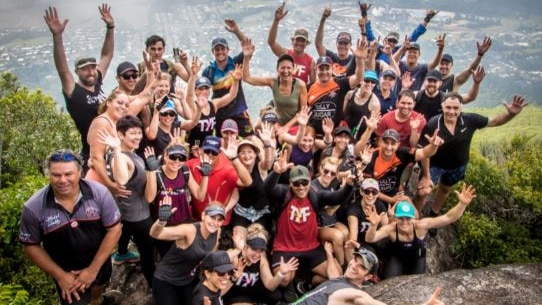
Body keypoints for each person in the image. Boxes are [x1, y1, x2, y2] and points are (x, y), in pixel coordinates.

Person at [19, 149, 121, 305]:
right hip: (66, 275)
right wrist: (60, 276)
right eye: (56, 175)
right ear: (48, 175)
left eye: (68, 174)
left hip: (99, 262)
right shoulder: (33, 208)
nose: (62, 180)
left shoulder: (99, 193)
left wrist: (93, 270)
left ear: (79, 172)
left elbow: (114, 229)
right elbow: (30, 246)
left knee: (100, 285)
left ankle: (97, 300)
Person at [416, 93, 527, 217]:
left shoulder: (469, 120)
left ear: (461, 107)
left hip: (458, 166)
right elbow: (424, 152)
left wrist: (511, 114)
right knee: (422, 192)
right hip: (434, 165)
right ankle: (414, 218)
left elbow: (495, 121)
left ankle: (434, 213)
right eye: (448, 107)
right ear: (442, 107)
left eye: (455, 108)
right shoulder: (433, 124)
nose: (451, 111)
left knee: (445, 189)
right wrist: (426, 175)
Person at [264, 153, 354, 289]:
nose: (301, 187)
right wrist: (275, 173)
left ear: (310, 181)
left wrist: (348, 186)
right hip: (285, 247)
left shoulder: (315, 195)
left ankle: (311, 284)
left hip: (311, 246)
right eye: (297, 183)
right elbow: (268, 189)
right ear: (290, 183)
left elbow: (337, 197)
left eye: (304, 182)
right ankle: (292, 284)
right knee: (284, 280)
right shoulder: (284, 193)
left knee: (336, 276)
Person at [44, 5, 115, 171]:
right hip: (91, 151)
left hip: (110, 146)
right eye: (85, 69)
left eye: (92, 67)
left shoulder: (96, 82)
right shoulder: (73, 91)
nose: (90, 71)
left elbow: (106, 55)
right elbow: (62, 69)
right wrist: (57, 36)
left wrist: (110, 27)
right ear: (77, 72)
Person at [365, 184, 476, 278]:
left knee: (416, 283)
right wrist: (373, 226)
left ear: (413, 218)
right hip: (396, 258)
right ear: (395, 218)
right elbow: (370, 238)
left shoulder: (421, 226)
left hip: (416, 258)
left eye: (408, 218)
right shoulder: (391, 229)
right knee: (389, 282)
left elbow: (448, 218)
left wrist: (462, 204)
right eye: (401, 218)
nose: (404, 222)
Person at [98, 115, 155, 288]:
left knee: (124, 232)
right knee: (147, 253)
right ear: (121, 136)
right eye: (133, 133)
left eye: (139, 133)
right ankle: (153, 284)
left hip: (123, 211)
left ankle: (122, 254)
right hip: (138, 216)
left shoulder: (122, 153)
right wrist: (116, 149)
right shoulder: (120, 156)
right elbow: (121, 178)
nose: (138, 136)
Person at [291, 248, 444, 305]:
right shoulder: (339, 279)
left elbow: (365, 301)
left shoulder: (352, 292)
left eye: (361, 266)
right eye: (354, 260)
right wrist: (330, 253)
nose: (354, 265)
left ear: (368, 276)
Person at [144, 141, 210, 258]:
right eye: (173, 157)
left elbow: (200, 196)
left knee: (185, 255)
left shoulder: (185, 171)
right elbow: (149, 198)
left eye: (181, 158)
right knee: (167, 257)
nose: (176, 162)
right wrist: (151, 171)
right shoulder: (157, 172)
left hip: (184, 222)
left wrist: (205, 176)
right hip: (163, 224)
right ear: (165, 156)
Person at [150, 203, 224, 305]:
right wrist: (161, 221)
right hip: (166, 279)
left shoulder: (217, 231)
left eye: (219, 220)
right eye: (212, 217)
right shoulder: (189, 230)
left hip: (188, 280)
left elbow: (210, 256)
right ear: (203, 216)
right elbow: (155, 234)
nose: (215, 223)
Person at [223, 224, 299, 305]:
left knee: (276, 296)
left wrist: (281, 273)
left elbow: (270, 285)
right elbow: (220, 289)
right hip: (234, 294)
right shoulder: (235, 257)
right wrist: (234, 277)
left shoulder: (261, 260)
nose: (257, 254)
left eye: (261, 250)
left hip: (252, 293)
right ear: (245, 247)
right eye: (254, 249)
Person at [202, 19, 254, 138]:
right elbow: (202, 92)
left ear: (227, 50)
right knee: (222, 143)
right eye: (217, 49)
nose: (220, 52)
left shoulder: (236, 62)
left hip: (239, 109)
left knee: (250, 138)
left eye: (222, 49)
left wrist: (237, 31)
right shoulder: (209, 71)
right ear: (213, 51)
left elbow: (248, 47)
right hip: (220, 113)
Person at [187, 135, 252, 225]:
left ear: (220, 153)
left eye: (214, 152)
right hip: (197, 219)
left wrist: (234, 159)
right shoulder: (192, 164)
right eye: (207, 151)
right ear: (201, 150)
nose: (210, 155)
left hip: (219, 221)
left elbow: (247, 182)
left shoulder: (227, 168)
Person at [242, 38, 308, 128]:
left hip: (294, 125)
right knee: (257, 127)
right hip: (278, 123)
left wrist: (286, 128)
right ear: (277, 69)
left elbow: (302, 112)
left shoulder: (300, 85)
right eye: (282, 68)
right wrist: (246, 57)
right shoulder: (273, 82)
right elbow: (247, 78)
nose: (285, 71)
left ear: (294, 70)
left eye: (289, 68)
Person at [307, 39, 367, 136]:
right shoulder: (309, 88)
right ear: (316, 69)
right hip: (313, 135)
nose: (324, 72)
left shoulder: (340, 84)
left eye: (327, 69)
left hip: (335, 133)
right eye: (321, 69)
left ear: (332, 69)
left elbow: (359, 78)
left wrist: (359, 60)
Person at [408, 68, 485, 120]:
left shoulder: (446, 98)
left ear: (440, 83)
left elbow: (470, 97)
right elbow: (401, 103)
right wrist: (405, 88)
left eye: (434, 81)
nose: (431, 84)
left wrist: (476, 83)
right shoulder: (416, 95)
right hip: (417, 133)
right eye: (429, 81)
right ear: (425, 81)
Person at [267, 2, 315, 84]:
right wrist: (276, 21)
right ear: (293, 41)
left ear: (306, 43)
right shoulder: (285, 53)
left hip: (300, 94)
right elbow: (271, 42)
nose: (299, 43)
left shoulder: (310, 61)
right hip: (283, 93)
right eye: (297, 40)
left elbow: (313, 83)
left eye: (302, 41)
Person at [346, 178, 389, 263]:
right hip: (362, 242)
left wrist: (392, 218)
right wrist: (358, 246)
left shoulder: (379, 205)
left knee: (387, 244)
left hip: (374, 238)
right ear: (361, 192)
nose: (370, 195)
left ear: (378, 194)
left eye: (374, 192)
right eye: (367, 191)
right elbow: (353, 239)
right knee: (370, 254)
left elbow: (386, 229)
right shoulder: (354, 209)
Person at [315, 8, 356, 78]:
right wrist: (323, 19)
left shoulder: (354, 59)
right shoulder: (330, 56)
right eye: (340, 43)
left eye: (345, 43)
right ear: (336, 44)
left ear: (350, 45)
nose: (342, 46)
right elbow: (318, 44)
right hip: (331, 87)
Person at [342, 70, 381, 141]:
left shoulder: (375, 103)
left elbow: (373, 126)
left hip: (359, 137)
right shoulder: (350, 94)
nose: (369, 84)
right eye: (367, 80)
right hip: (343, 133)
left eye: (373, 82)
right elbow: (343, 112)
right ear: (361, 81)